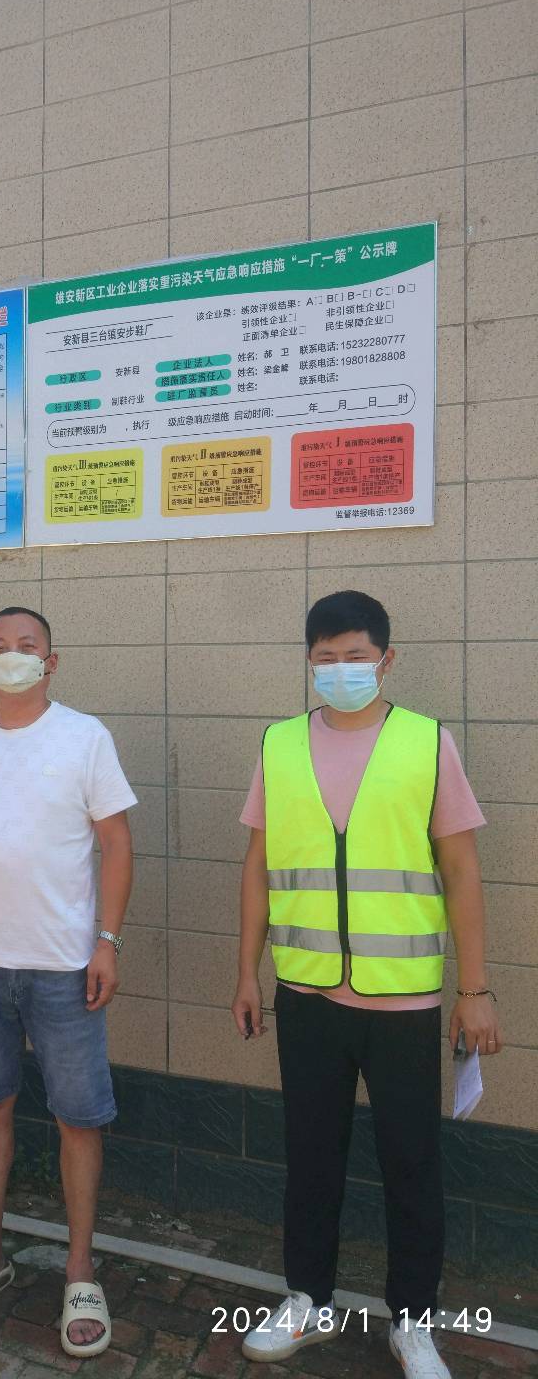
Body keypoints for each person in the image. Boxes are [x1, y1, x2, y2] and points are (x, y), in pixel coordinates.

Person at [231, 590, 503, 1377]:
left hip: (402, 999)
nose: (340, 669)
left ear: (386, 659)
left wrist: (475, 989)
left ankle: (412, 1322)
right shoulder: (280, 743)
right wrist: (245, 971)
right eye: (325, 658)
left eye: (355, 656)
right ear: (308, 662)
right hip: (306, 993)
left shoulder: (426, 741)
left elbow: (461, 869)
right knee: (310, 1156)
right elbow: (258, 866)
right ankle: (308, 1299)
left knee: (411, 1164)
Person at [0, 606, 136, 1359]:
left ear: (51, 661)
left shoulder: (84, 736)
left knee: (78, 1117)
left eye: (26, 646)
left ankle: (80, 1270)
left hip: (64, 966)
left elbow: (116, 842)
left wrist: (107, 941)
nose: (10, 655)